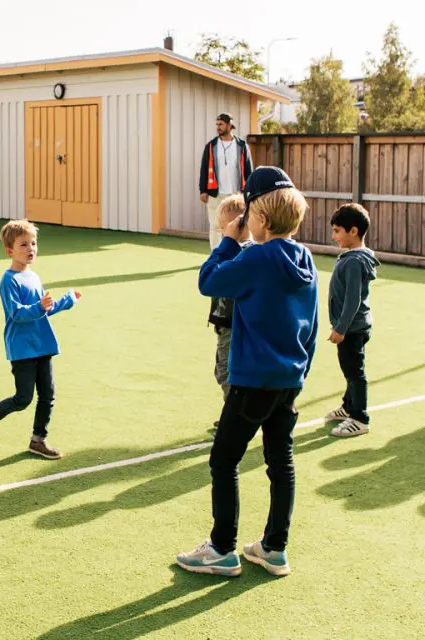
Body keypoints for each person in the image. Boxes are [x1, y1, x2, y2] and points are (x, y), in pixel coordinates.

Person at [177, 167, 318, 578]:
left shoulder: (256, 256)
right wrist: (300, 371)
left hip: (252, 380)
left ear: (260, 217)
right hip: (288, 380)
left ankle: (222, 548)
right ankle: (274, 548)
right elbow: (310, 323)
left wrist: (228, 240)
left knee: (223, 460)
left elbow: (208, 281)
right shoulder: (305, 258)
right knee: (280, 463)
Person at [0, 220, 80, 460]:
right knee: (23, 399)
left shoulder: (33, 276)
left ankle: (38, 440)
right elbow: (17, 314)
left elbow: (44, 310)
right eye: (23, 245)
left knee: (48, 395)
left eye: (33, 243)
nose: (30, 248)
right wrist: (39, 306)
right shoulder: (9, 280)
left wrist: (67, 301)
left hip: (43, 345)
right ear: (10, 250)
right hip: (22, 349)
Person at [325, 203, 379, 438]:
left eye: (337, 231)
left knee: (355, 372)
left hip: (352, 328)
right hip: (355, 326)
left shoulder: (355, 261)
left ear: (354, 231)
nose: (334, 236)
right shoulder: (352, 257)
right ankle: (348, 407)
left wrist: (341, 328)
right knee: (350, 369)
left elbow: (353, 299)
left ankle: (360, 418)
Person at [206, 194, 252, 427]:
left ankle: (235, 421)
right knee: (222, 370)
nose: (222, 233)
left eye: (224, 228)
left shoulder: (242, 254)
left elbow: (207, 279)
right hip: (225, 324)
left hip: (235, 326)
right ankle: (233, 415)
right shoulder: (233, 253)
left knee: (226, 372)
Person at [199, 113, 253, 249]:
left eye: (221, 124)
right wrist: (203, 190)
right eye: (217, 124)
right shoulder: (211, 146)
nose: (218, 127)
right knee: (215, 226)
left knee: (239, 224)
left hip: (236, 194)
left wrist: (249, 191)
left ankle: (238, 253)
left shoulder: (242, 146)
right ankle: (216, 255)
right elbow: (204, 168)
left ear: (229, 125)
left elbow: (248, 170)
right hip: (215, 193)